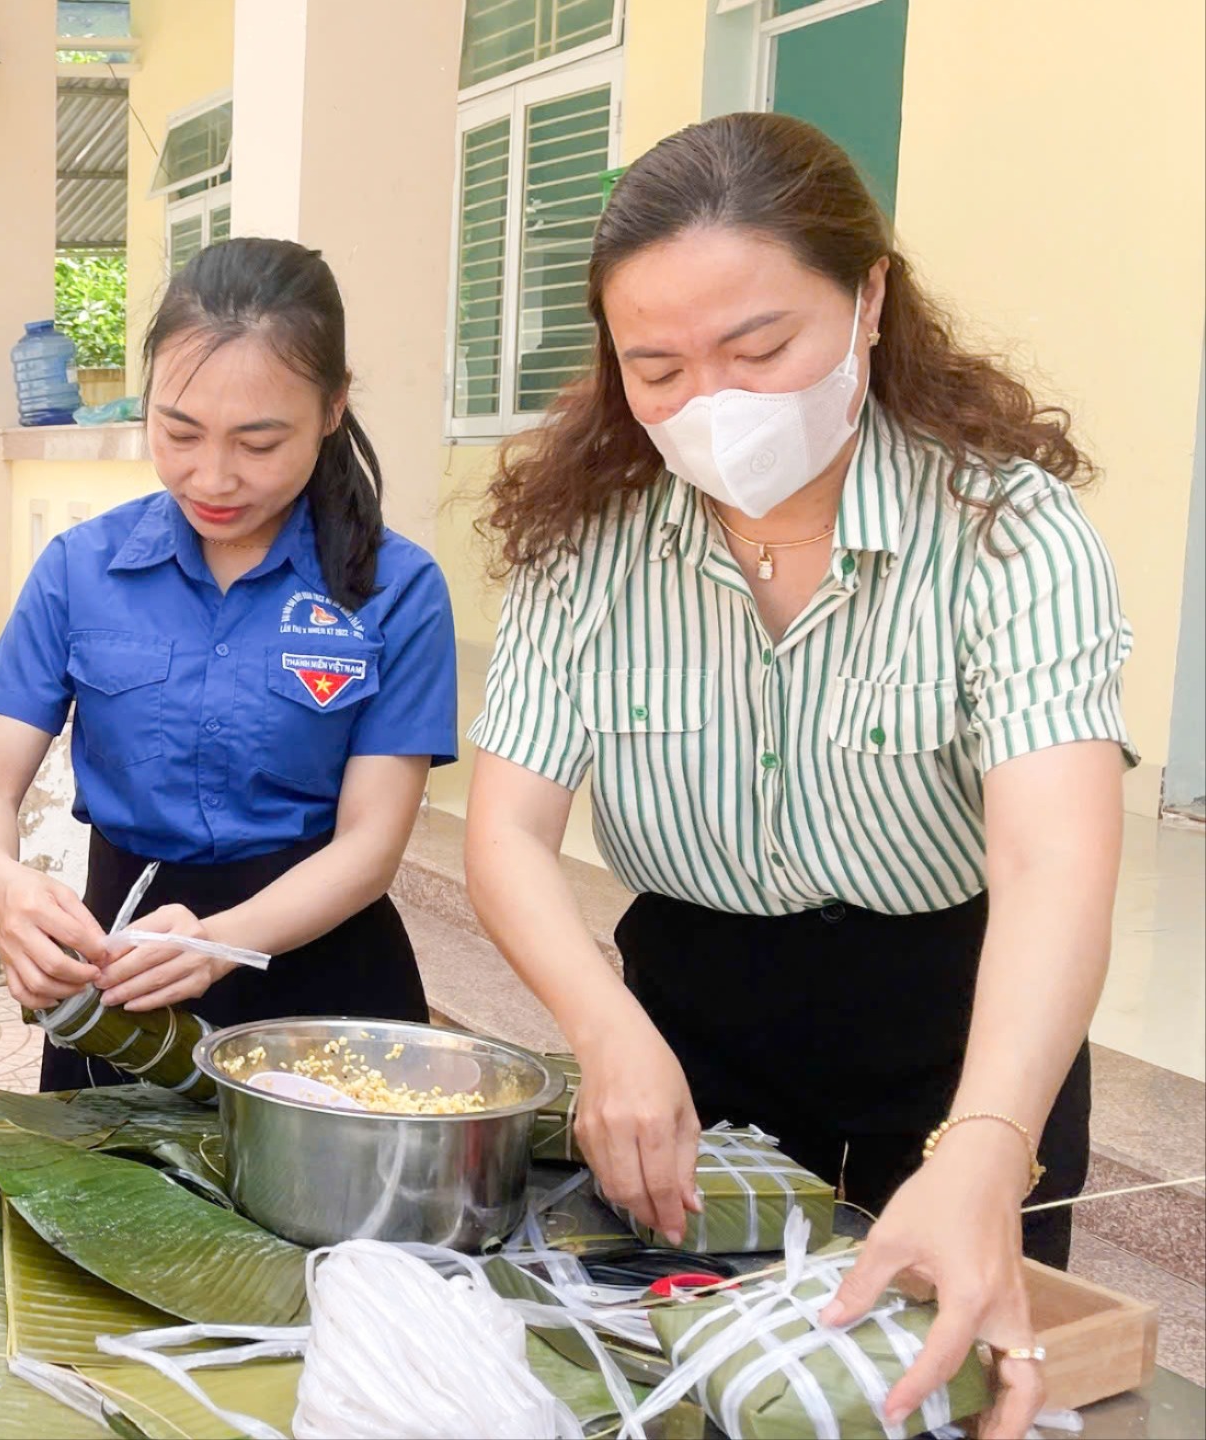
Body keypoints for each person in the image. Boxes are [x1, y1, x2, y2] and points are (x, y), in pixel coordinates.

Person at [464, 113, 1128, 1437]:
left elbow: (1052, 860)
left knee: (934, 1384)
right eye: (657, 367)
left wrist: (988, 1147)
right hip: (689, 1025)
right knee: (691, 1382)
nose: (713, 403)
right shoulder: (587, 548)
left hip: (963, 1025)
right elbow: (506, 833)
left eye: (760, 347)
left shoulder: (1005, 534)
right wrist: (606, 1030)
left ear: (870, 296)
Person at [0, 238, 458, 1085]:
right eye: (179, 432)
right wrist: (2, 886)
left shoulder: (393, 587)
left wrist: (227, 938)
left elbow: (372, 842)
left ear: (332, 410)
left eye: (259, 443)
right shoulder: (81, 569)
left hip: (320, 980)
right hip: (125, 972)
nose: (213, 476)